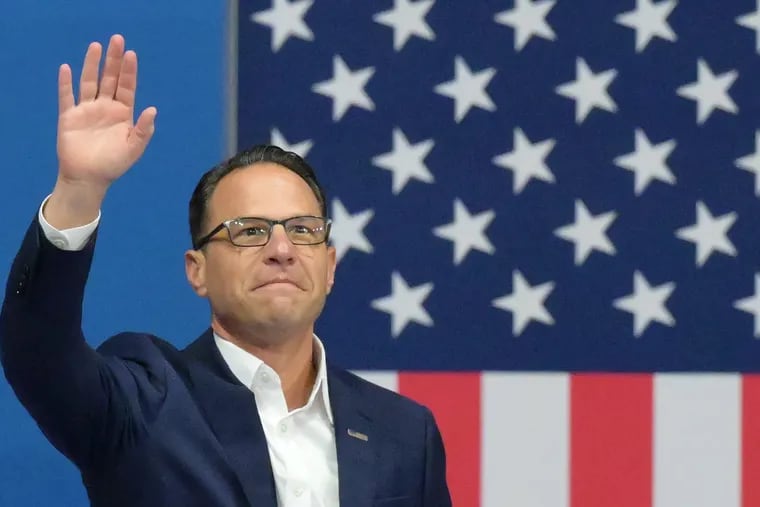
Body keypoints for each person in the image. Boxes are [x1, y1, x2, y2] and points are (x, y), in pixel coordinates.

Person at [0, 34, 451, 507]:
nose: (282, 249)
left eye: (302, 229)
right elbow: (37, 352)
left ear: (330, 265)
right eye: (250, 231)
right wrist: (79, 190)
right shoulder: (142, 403)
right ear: (197, 271)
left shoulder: (403, 432)